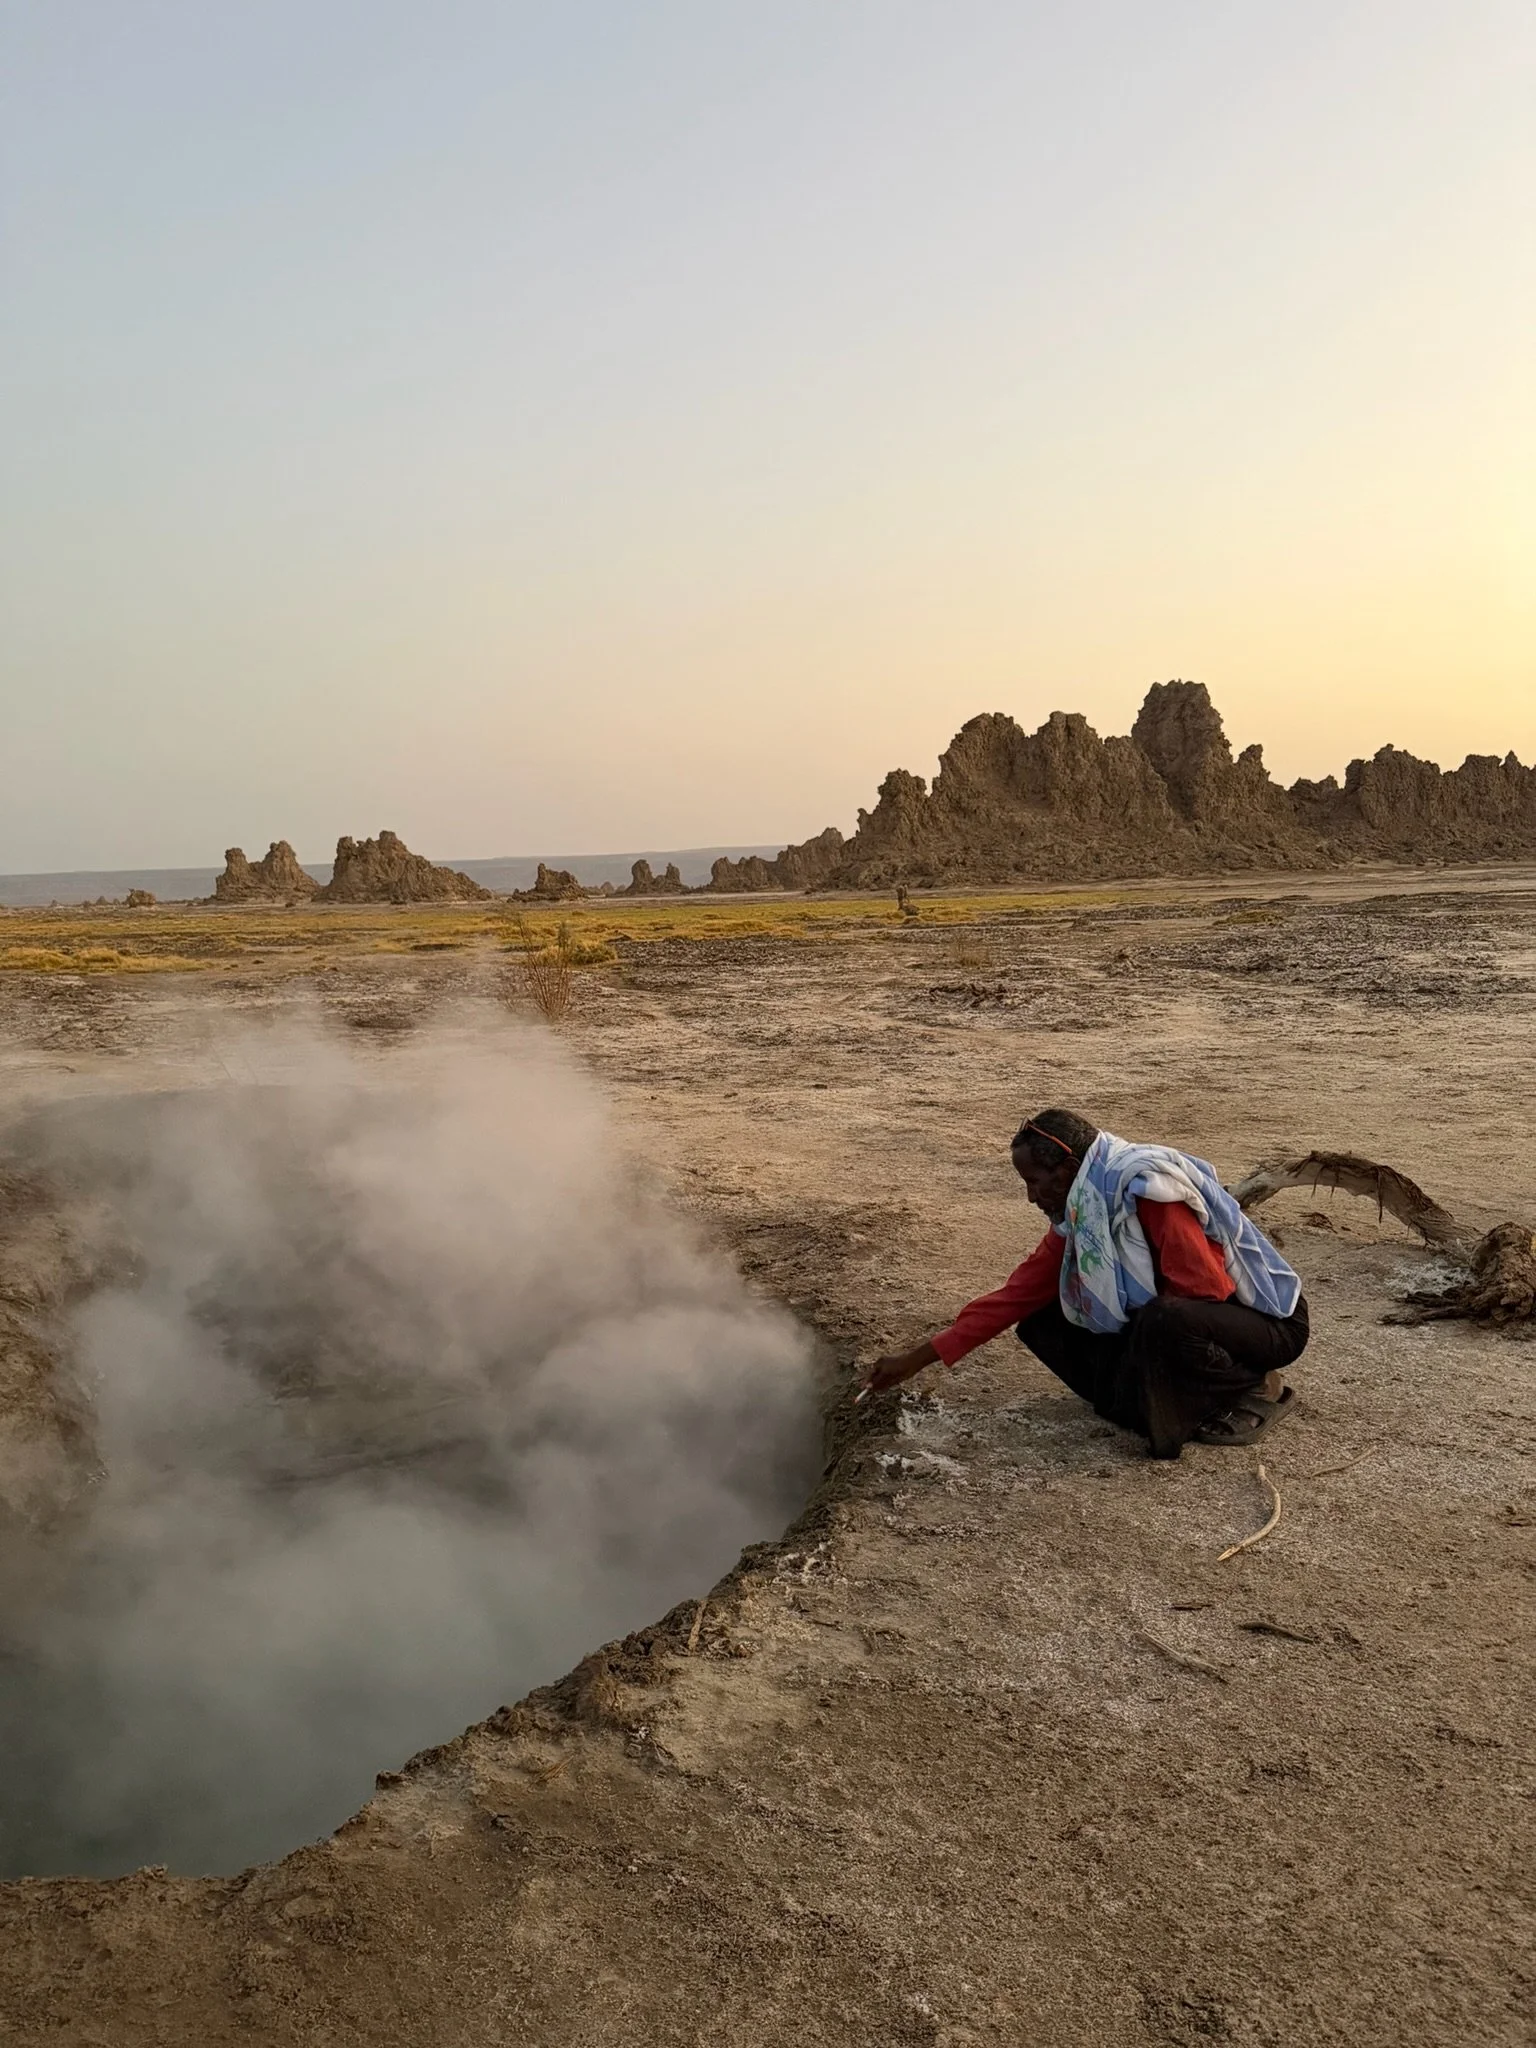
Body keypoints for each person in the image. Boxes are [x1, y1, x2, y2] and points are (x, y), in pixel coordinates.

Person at [862, 1108, 1309, 1459]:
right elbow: (1016, 1296)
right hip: (1181, 1320)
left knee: (1162, 1318)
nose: (1031, 1196)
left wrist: (1142, 1347)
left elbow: (1206, 1289)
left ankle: (1253, 1386)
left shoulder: (1148, 1191)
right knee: (1043, 1315)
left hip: (1263, 1325)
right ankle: (1156, 1400)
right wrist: (914, 1361)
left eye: (1035, 1182)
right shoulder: (1084, 1209)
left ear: (1069, 1168)